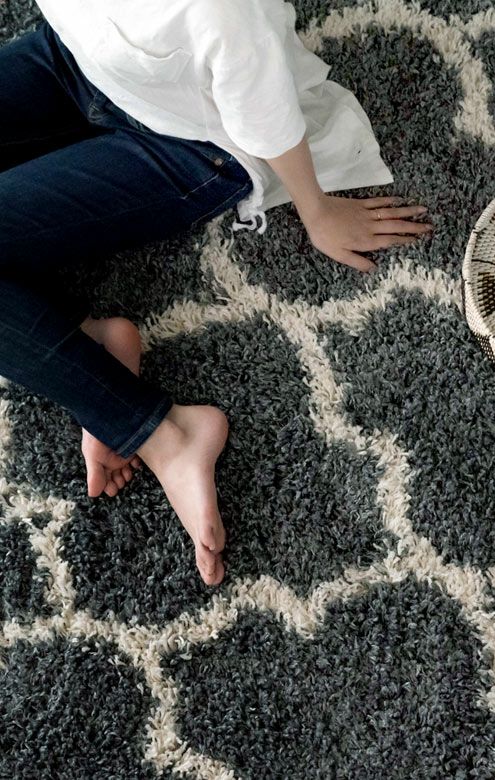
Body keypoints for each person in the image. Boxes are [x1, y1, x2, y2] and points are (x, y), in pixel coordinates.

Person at [0, 1, 434, 586]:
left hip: (189, 140)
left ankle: (165, 433)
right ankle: (84, 338)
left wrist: (318, 210)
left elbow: (264, 108)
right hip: (73, 56)